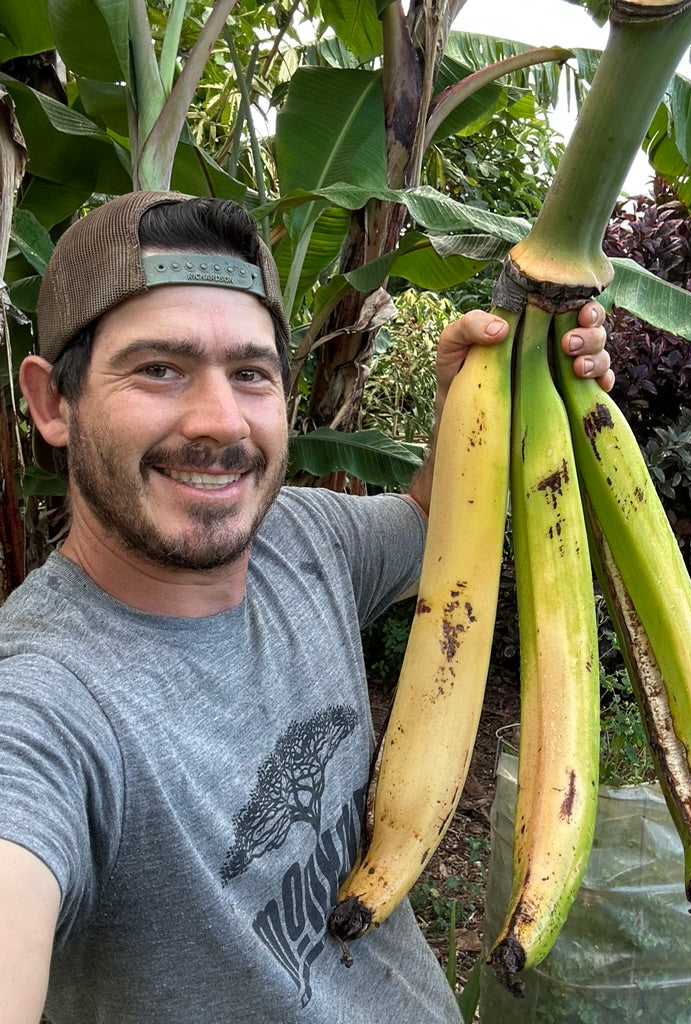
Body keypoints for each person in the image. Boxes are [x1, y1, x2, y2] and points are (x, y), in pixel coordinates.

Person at [0, 191, 611, 1024]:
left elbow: (441, 527)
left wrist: (483, 395)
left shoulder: (303, 539)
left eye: (251, 373)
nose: (221, 422)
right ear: (51, 403)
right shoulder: (43, 704)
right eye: (159, 369)